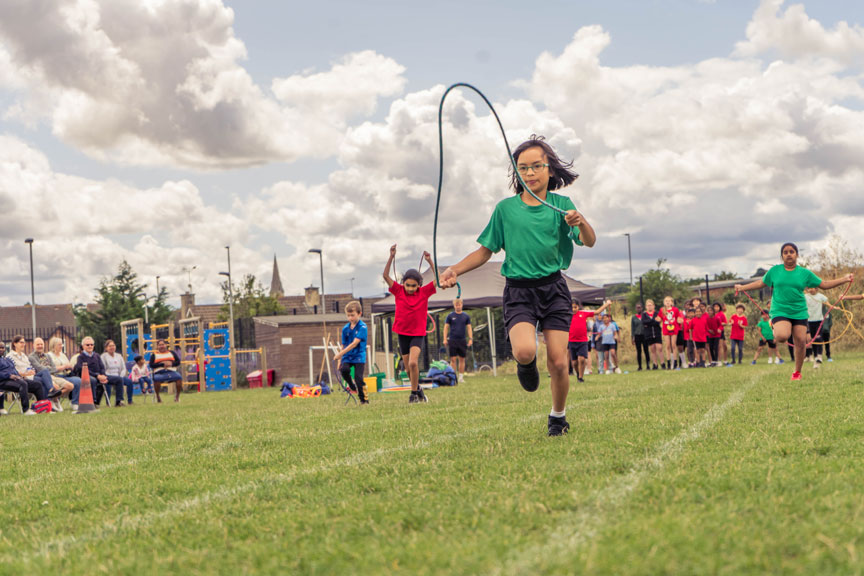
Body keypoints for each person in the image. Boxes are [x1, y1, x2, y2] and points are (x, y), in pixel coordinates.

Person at [440, 135, 595, 436]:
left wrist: (582, 221)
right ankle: (526, 366)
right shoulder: (505, 210)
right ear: (517, 173)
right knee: (524, 351)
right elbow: (485, 251)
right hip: (519, 291)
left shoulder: (562, 206)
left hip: (553, 289)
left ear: (550, 170)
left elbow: (589, 241)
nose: (530, 173)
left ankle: (558, 417)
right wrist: (455, 270)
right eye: (523, 168)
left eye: (537, 166)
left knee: (559, 362)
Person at [736, 242, 852, 381]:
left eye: (792, 251)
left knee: (801, 342)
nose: (789, 254)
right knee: (782, 336)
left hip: (799, 311)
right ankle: (774, 324)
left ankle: (797, 372)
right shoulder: (775, 271)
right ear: (782, 256)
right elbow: (761, 283)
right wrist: (743, 287)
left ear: (797, 255)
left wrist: (845, 279)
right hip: (780, 310)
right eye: (785, 252)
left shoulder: (804, 273)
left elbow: (824, 284)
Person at [385, 245, 437, 404]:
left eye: (413, 286)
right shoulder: (399, 291)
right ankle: (419, 390)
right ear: (404, 283)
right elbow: (385, 275)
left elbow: (439, 280)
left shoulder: (424, 292)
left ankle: (413, 394)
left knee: (414, 363)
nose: (410, 288)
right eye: (407, 285)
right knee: (407, 368)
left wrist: (430, 262)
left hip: (417, 333)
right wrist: (391, 257)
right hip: (402, 333)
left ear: (419, 285)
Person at [333, 300, 369, 404]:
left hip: (359, 355)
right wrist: (340, 359)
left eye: (352, 315)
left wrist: (340, 354)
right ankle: (352, 386)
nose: (350, 318)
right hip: (347, 356)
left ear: (359, 314)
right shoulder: (345, 329)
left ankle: (364, 399)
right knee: (344, 370)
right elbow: (343, 344)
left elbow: (354, 343)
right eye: (348, 315)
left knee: (358, 377)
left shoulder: (363, 327)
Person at [74, 336, 125, 407]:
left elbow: (102, 367)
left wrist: (103, 375)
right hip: (89, 376)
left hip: (100, 375)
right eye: (87, 345)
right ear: (83, 346)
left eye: (91, 344)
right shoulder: (80, 357)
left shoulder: (96, 355)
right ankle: (94, 402)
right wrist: (97, 376)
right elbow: (81, 369)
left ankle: (119, 401)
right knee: (93, 380)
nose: (90, 346)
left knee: (119, 379)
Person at [0, 340, 48, 415]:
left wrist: (18, 376)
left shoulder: (7, 360)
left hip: (15, 380)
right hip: (3, 381)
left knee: (37, 384)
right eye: (0, 347)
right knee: (23, 384)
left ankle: (41, 408)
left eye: (3, 347)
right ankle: (26, 410)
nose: (1, 349)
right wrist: (9, 375)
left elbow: (14, 370)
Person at [569, 299, 611, 382]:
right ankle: (578, 374)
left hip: (583, 341)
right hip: (572, 341)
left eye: (575, 307)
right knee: (574, 363)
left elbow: (597, 311)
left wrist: (607, 304)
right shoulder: (567, 315)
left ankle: (580, 377)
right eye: (572, 307)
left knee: (582, 359)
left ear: (578, 307)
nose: (573, 309)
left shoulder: (583, 313)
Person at [29, 337, 76, 411]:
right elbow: (39, 368)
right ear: (34, 346)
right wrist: (49, 369)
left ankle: (53, 398)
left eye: (41, 344)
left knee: (70, 386)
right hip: (43, 377)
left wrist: (48, 369)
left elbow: (54, 368)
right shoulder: (31, 357)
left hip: (54, 375)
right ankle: (55, 401)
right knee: (56, 387)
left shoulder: (47, 356)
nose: (40, 346)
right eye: (38, 344)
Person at [8, 335, 59, 400]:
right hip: (21, 379)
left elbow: (29, 366)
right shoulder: (10, 356)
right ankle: (46, 402)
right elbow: (12, 373)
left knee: (45, 371)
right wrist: (26, 374)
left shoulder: (24, 356)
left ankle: (51, 392)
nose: (23, 344)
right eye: (21, 342)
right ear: (15, 344)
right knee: (42, 381)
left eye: (24, 342)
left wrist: (32, 370)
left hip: (31, 376)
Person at [47, 336, 82, 410]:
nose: (61, 346)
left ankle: (74, 403)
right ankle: (54, 400)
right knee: (57, 385)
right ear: (54, 345)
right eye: (59, 344)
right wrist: (62, 367)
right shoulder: (49, 355)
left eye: (61, 344)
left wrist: (69, 367)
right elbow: (49, 369)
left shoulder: (63, 355)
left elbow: (68, 365)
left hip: (65, 375)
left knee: (78, 380)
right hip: (55, 376)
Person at [444, 298, 473, 384]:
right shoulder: (450, 316)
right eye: (456, 305)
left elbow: (469, 328)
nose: (458, 306)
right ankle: (453, 377)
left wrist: (470, 339)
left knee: (462, 359)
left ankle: (461, 377)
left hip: (462, 340)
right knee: (453, 359)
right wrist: (445, 339)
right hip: (452, 340)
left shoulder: (466, 316)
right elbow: (446, 327)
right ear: (454, 306)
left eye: (459, 305)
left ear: (462, 305)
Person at [101, 339, 135, 405]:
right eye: (110, 346)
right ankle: (110, 402)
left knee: (129, 382)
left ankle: (129, 401)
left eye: (113, 346)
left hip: (119, 376)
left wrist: (121, 376)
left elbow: (123, 368)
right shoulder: (103, 356)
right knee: (108, 383)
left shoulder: (119, 356)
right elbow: (103, 368)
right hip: (108, 376)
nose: (112, 347)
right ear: (106, 348)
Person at [803, 288, 829, 368]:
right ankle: (815, 358)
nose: (810, 290)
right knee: (812, 340)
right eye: (809, 288)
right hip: (809, 321)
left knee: (819, 338)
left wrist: (833, 307)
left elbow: (826, 302)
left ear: (816, 288)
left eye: (812, 288)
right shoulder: (805, 296)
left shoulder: (820, 296)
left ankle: (819, 355)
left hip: (819, 320)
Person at [658, 296, 683, 370]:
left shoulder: (675, 309)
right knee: (667, 345)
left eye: (669, 301)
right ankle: (668, 362)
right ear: (664, 302)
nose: (668, 302)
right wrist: (657, 319)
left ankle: (675, 361)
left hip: (674, 328)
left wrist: (680, 320)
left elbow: (678, 318)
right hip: (666, 329)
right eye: (666, 301)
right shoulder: (662, 310)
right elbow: (659, 318)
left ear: (672, 302)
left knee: (673, 345)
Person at [641, 299, 663, 370]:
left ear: (653, 306)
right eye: (648, 305)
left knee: (659, 348)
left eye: (650, 305)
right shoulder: (644, 314)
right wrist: (653, 321)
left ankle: (662, 363)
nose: (649, 307)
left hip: (657, 333)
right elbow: (644, 322)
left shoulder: (657, 313)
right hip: (649, 334)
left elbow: (658, 321)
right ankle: (655, 364)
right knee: (652, 349)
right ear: (646, 307)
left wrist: (650, 322)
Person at [630, 303, 650, 371]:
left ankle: (648, 365)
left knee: (646, 350)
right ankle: (640, 366)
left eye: (640, 307)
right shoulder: (634, 317)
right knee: (639, 351)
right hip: (637, 335)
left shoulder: (645, 315)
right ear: (636, 309)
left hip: (644, 335)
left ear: (642, 308)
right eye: (637, 307)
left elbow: (648, 323)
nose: (638, 309)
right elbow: (632, 327)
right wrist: (632, 337)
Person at [714, 302, 731, 367]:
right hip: (714, 332)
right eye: (715, 307)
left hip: (721, 331)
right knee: (719, 346)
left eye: (717, 307)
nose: (716, 308)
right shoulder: (712, 314)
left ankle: (725, 360)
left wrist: (722, 325)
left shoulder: (721, 314)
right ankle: (719, 360)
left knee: (724, 346)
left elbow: (725, 323)